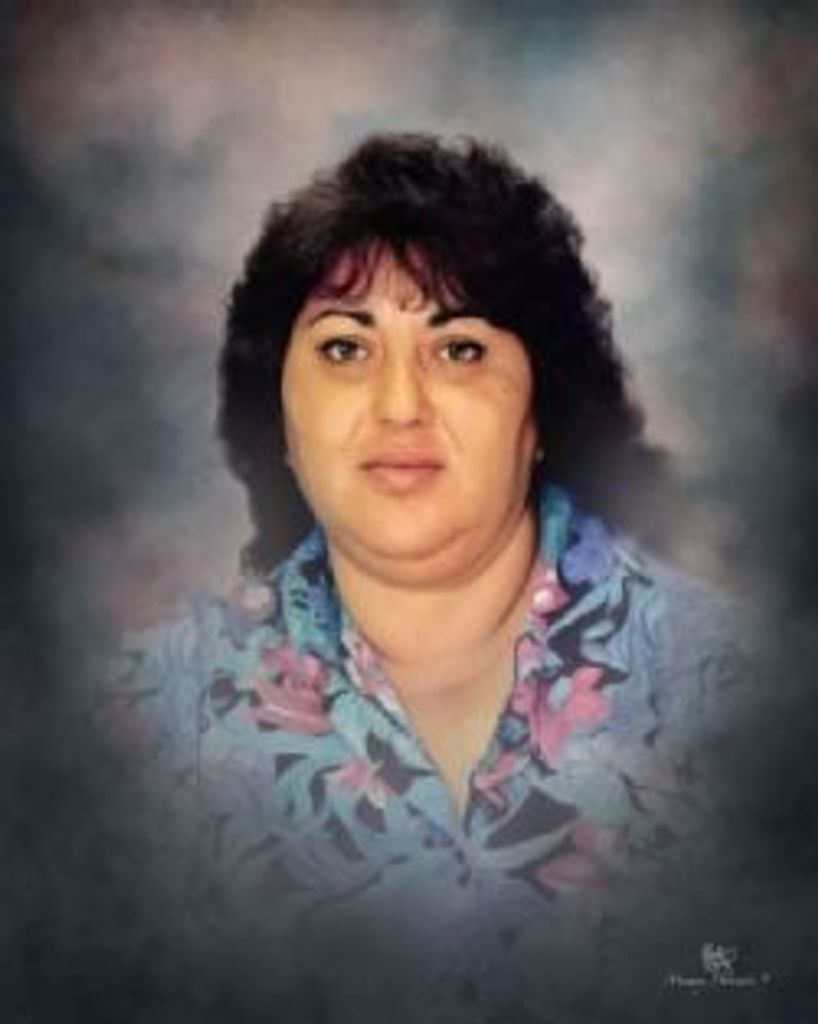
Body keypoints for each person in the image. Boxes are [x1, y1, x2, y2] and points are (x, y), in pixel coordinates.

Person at [103, 133, 752, 1022]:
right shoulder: (133, 731)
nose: (400, 405)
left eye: (460, 350)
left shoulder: (749, 703)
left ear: (541, 409)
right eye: (344, 349)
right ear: (280, 416)